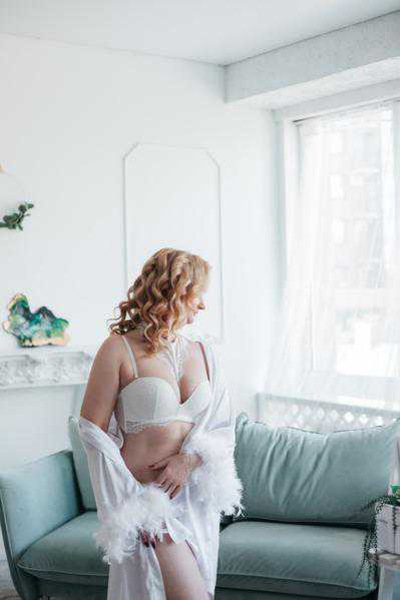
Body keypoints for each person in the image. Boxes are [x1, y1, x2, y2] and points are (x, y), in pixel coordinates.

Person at [78, 247, 244, 600]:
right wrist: (127, 504)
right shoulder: (117, 349)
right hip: (143, 500)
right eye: (197, 294)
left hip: (196, 501)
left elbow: (221, 427)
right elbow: (93, 434)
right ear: (175, 291)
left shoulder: (204, 353)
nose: (203, 305)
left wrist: (189, 460)